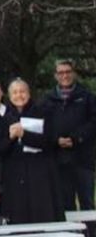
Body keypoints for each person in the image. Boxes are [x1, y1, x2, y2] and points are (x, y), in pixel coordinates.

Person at [0, 78, 64, 224]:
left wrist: (25, 135)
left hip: (39, 172)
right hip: (15, 174)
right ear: (9, 96)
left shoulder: (43, 112)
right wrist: (11, 137)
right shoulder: (5, 118)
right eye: (14, 92)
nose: (19, 95)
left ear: (29, 93)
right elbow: (0, 148)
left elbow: (50, 141)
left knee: (41, 212)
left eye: (22, 91)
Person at [46, 59, 96, 211]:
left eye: (68, 72)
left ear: (73, 73)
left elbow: (93, 122)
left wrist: (75, 138)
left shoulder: (87, 97)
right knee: (65, 204)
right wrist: (56, 140)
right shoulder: (48, 100)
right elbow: (44, 126)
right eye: (61, 72)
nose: (65, 75)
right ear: (55, 75)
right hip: (60, 159)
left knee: (87, 202)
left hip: (83, 159)